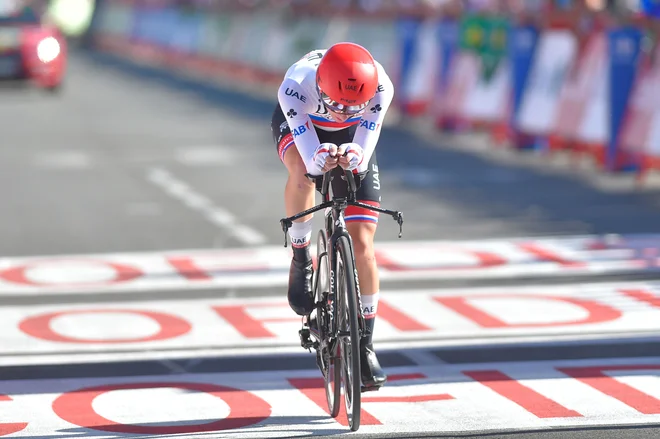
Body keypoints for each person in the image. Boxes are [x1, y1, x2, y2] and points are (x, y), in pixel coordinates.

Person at [270, 42, 394, 389]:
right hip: (305, 126)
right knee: (300, 172)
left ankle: (366, 342)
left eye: (352, 105)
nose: (342, 111)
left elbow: (364, 146)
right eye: (336, 103)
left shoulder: (382, 87)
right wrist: (320, 157)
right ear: (321, 86)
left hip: (355, 136)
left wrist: (354, 154)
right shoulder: (296, 85)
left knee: (363, 244)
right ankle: (301, 260)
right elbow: (312, 162)